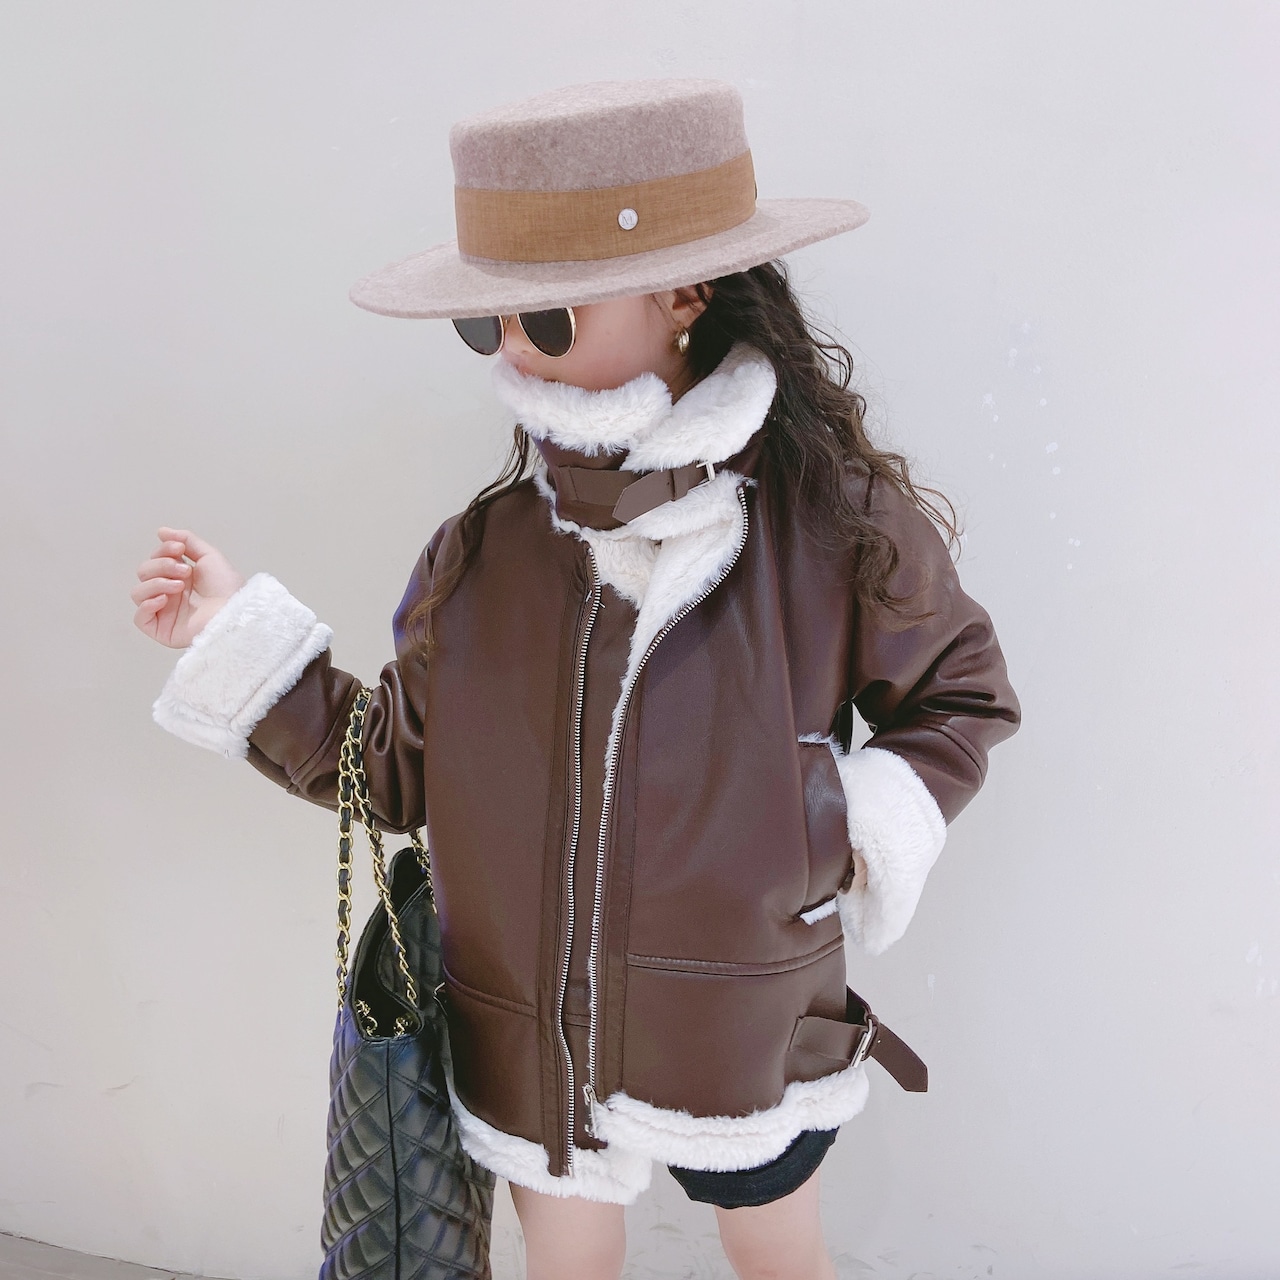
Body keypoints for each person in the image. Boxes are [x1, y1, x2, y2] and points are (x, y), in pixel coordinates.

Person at [131, 79, 1020, 1280]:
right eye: (484, 322)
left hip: (746, 1016)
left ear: (683, 293)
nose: (509, 347)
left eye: (542, 316)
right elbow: (388, 770)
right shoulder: (487, 552)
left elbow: (957, 693)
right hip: (526, 1039)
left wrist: (840, 828)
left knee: (778, 1256)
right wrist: (232, 634)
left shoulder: (828, 524)